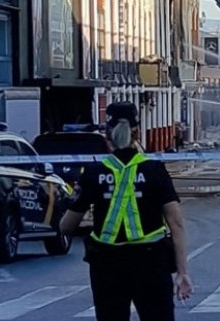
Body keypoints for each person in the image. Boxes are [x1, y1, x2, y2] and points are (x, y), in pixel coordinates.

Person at [60, 102, 192, 321]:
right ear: (137, 132)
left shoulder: (94, 173)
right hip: (151, 263)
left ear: (108, 135)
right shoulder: (154, 170)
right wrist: (182, 272)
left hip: (107, 265)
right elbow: (176, 224)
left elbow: (66, 226)